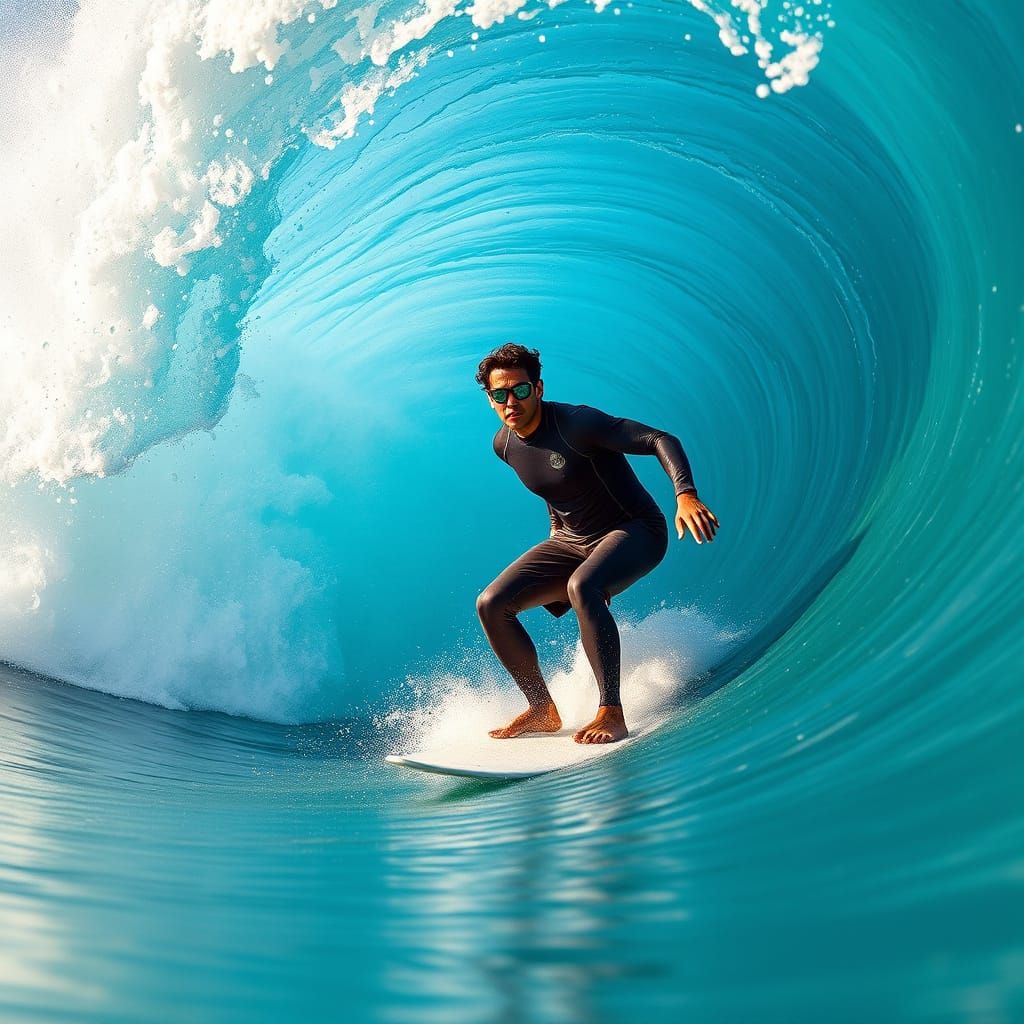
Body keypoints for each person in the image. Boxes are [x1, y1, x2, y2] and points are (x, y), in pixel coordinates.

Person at [475, 343, 719, 744]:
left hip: (634, 530)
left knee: (582, 585)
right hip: (571, 541)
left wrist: (685, 494)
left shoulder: (576, 423)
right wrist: (556, 535)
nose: (510, 402)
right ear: (490, 399)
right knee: (491, 604)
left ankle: (611, 712)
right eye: (500, 394)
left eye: (520, 390)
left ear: (538, 388)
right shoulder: (504, 445)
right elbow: (555, 491)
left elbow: (659, 438)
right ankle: (541, 709)